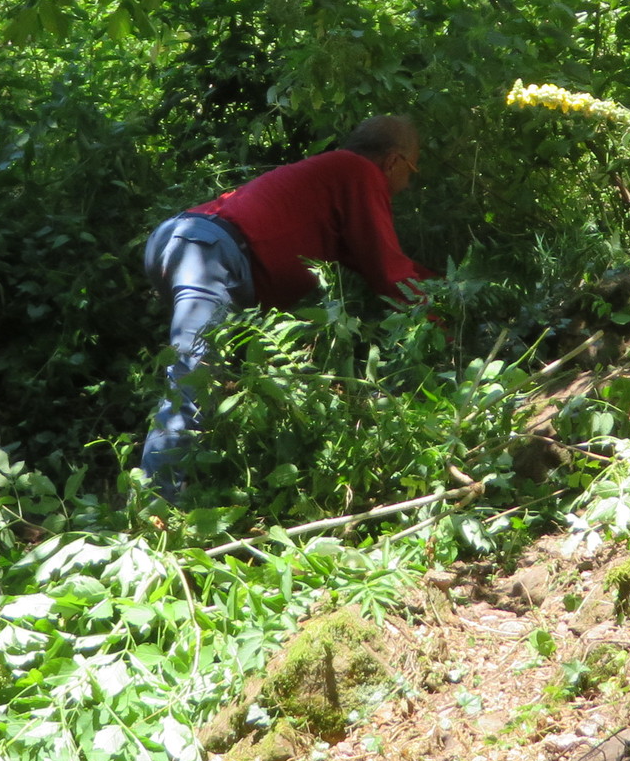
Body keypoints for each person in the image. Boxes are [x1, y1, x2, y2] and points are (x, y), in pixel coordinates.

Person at [139, 116, 435, 497]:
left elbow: (380, 264)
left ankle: (196, 493)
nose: (407, 185)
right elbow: (391, 274)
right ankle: (154, 507)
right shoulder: (360, 173)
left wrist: (439, 285)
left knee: (217, 384)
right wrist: (444, 312)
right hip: (209, 252)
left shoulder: (334, 180)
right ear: (394, 161)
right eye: (412, 171)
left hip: (188, 243)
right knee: (194, 376)